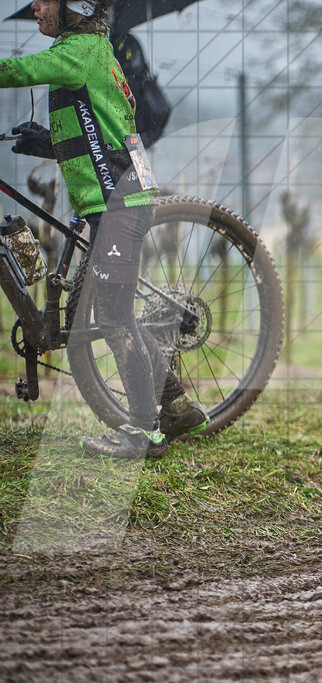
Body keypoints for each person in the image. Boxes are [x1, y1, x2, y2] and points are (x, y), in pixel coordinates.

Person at [0, 0, 207, 458]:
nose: (36, 8)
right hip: (118, 202)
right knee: (117, 313)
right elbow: (101, 137)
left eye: (44, 1)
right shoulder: (91, 51)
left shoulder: (80, 51)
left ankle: (143, 432)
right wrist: (48, 143)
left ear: (74, 6)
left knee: (113, 317)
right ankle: (174, 404)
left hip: (119, 207)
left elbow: (15, 71)